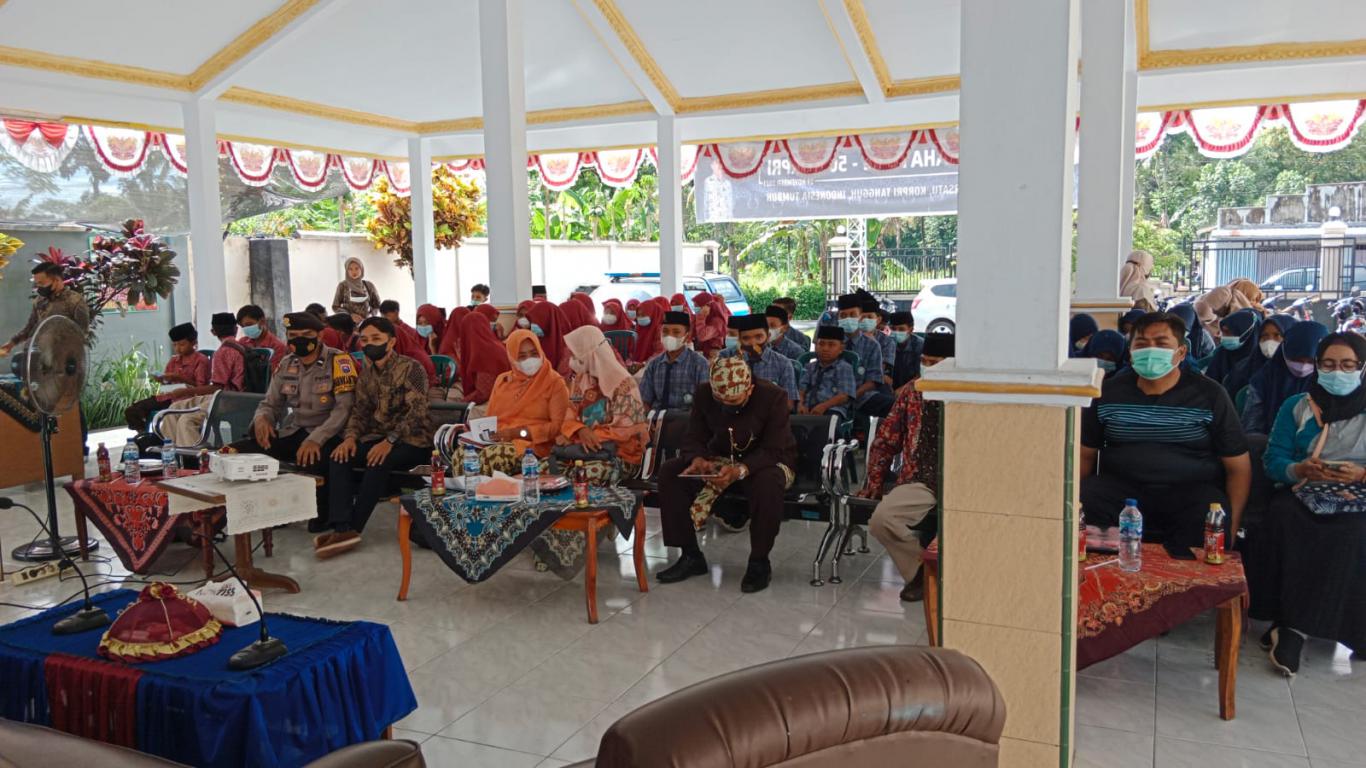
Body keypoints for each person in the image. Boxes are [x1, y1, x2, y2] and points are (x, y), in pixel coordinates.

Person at [1080, 311, 1251, 550]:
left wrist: (1231, 527)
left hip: (1190, 492)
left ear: (1181, 352)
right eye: (1142, 344)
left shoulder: (1210, 395)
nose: (1151, 351)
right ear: (1130, 352)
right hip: (1122, 491)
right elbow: (1085, 455)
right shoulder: (1107, 393)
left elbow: (1238, 467)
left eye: (1161, 344)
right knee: (1087, 498)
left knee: (1207, 511)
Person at [1253, 332, 1366, 674]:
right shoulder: (1298, 406)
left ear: (1362, 367)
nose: (1337, 372)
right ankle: (1292, 626)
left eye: (1347, 365)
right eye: (1328, 364)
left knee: (1352, 531)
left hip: (1358, 497)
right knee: (1287, 518)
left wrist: (1361, 475)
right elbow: (1273, 459)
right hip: (1303, 491)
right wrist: (1299, 469)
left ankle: (1334, 627)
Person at [656, 357, 797, 593]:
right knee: (671, 472)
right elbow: (694, 435)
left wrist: (740, 470)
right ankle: (690, 555)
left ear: (749, 389)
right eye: (719, 400)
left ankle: (759, 562)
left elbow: (774, 449)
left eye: (732, 401)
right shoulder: (704, 393)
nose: (725, 406)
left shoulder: (773, 397)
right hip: (721, 458)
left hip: (768, 461)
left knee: (767, 484)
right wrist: (697, 459)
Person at [232, 312, 355, 537]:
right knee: (238, 451)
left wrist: (315, 439)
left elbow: (343, 409)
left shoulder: (339, 361)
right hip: (296, 431)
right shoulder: (287, 363)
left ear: (320, 335)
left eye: (306, 334)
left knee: (314, 462)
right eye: (293, 335)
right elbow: (270, 403)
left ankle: (323, 516)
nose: (299, 340)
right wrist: (262, 419)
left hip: (329, 434)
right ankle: (263, 510)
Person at [859, 333, 953, 602]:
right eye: (925, 361)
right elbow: (887, 439)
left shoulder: (970, 393)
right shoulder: (913, 390)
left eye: (935, 362)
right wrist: (874, 481)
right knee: (882, 520)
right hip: (920, 476)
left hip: (964, 479)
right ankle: (922, 573)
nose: (928, 367)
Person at [325, 317, 430, 557]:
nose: (369, 344)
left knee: (378, 460)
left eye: (376, 338)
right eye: (364, 340)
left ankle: (353, 529)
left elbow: (417, 412)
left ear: (391, 342)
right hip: (378, 438)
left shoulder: (411, 368)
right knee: (339, 455)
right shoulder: (366, 374)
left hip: (413, 440)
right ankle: (341, 526)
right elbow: (360, 411)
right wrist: (350, 438)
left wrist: (389, 441)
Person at [558, 326, 647, 471]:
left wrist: (586, 436)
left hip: (619, 453)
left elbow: (625, 430)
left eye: (575, 354)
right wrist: (580, 430)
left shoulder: (624, 384)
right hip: (583, 450)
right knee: (545, 468)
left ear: (591, 354)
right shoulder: (581, 379)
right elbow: (570, 413)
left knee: (588, 473)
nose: (572, 360)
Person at [154, 315, 248, 445]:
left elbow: (217, 388)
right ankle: (172, 450)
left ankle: (192, 455)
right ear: (236, 329)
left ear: (213, 332)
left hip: (229, 399)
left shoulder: (223, 352)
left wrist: (185, 391)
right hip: (225, 396)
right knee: (173, 409)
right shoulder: (240, 346)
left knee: (186, 420)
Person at [484, 329, 571, 463]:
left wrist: (518, 433)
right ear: (512, 358)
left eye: (534, 353)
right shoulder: (502, 381)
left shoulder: (554, 382)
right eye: (522, 356)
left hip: (533, 446)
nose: (529, 360)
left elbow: (557, 427)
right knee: (462, 455)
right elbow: (490, 418)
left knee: (492, 457)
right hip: (498, 440)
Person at [1241, 321, 1329, 435]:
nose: (1303, 366)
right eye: (1296, 359)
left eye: (1311, 361)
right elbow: (1252, 428)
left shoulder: (1330, 383)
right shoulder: (1263, 381)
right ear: (1284, 351)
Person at [124, 323, 211, 432]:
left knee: (174, 418)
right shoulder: (174, 360)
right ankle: (144, 434)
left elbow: (201, 388)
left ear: (194, 342)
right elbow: (167, 383)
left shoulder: (201, 361)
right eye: (175, 345)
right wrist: (162, 380)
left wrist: (180, 378)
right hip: (168, 397)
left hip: (187, 399)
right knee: (132, 411)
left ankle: (161, 436)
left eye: (182, 344)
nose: (178, 348)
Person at [2, 263, 90, 357]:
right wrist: (11, 344)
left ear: (56, 280)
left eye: (42, 283)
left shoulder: (75, 301)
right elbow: (30, 328)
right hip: (42, 356)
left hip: (67, 358)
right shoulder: (40, 301)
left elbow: (82, 332)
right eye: (37, 284)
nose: (38, 287)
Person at [639, 311, 710, 411]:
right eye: (665, 331)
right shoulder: (654, 365)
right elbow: (644, 400)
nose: (669, 336)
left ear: (687, 337)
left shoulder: (699, 364)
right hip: (657, 416)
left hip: (687, 418)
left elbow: (705, 403)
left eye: (676, 332)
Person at [726, 314, 798, 407]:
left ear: (768, 336)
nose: (753, 343)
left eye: (758, 337)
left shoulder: (783, 364)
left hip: (771, 414)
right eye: (746, 338)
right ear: (739, 340)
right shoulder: (730, 362)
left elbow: (789, 404)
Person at [835, 293, 888, 416]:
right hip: (831, 395)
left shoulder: (872, 345)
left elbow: (874, 380)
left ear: (860, 317)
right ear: (838, 317)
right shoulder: (831, 343)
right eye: (843, 315)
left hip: (862, 396)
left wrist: (852, 395)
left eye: (853, 314)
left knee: (892, 406)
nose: (848, 319)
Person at [1225, 314, 1296, 397]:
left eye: (1277, 335)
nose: (1269, 341)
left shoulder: (1301, 371)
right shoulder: (1244, 370)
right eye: (1264, 336)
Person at [799, 326, 857, 419]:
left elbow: (844, 396)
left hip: (832, 409)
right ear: (816, 346)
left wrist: (824, 406)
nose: (825, 348)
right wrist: (800, 404)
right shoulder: (810, 367)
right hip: (807, 408)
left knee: (828, 421)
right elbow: (801, 389)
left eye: (831, 345)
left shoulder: (844, 368)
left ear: (841, 348)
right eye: (821, 344)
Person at [455, 309, 510, 406]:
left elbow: (483, 393)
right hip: (501, 396)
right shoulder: (493, 345)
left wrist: (460, 404)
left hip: (496, 402)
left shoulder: (485, 352)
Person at [379, 299, 438, 386]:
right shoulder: (386, 332)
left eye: (387, 316)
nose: (384, 319)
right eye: (382, 316)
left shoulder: (410, 333)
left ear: (396, 313)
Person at [1203, 308, 1262, 393]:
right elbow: (1208, 383)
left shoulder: (1259, 362)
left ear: (1245, 335)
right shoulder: (1221, 353)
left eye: (1228, 332)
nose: (1223, 337)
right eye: (1223, 332)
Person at [1194, 277, 1269, 338]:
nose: (1255, 303)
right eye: (1253, 299)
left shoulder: (1252, 318)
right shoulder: (1217, 299)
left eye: (1255, 300)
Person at [237, 305, 288, 371]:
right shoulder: (242, 342)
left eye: (249, 324)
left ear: (262, 321)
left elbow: (273, 373)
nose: (246, 329)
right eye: (243, 326)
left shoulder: (277, 347)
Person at [527, 299, 571, 371]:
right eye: (532, 322)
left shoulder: (568, 348)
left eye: (536, 322)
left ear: (548, 321)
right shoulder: (533, 342)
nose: (532, 326)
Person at [888, 311, 924, 390]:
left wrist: (903, 390)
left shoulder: (919, 345)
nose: (897, 332)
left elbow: (920, 375)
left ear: (911, 330)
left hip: (913, 387)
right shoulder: (887, 343)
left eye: (901, 329)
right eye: (893, 329)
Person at [861, 299, 896, 371]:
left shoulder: (887, 342)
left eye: (870, 317)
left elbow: (883, 369)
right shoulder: (849, 338)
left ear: (878, 320)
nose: (865, 320)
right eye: (862, 317)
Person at [690, 292, 729, 357]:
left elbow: (702, 336)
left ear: (707, 306)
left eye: (697, 306)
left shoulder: (717, 322)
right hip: (702, 354)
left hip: (712, 356)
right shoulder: (706, 318)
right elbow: (692, 333)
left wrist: (701, 316)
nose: (695, 308)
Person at [631, 298, 667, 365]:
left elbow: (660, 353)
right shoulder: (638, 328)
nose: (640, 318)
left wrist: (644, 364)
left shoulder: (660, 331)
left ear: (653, 314)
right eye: (638, 315)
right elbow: (632, 349)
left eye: (643, 315)